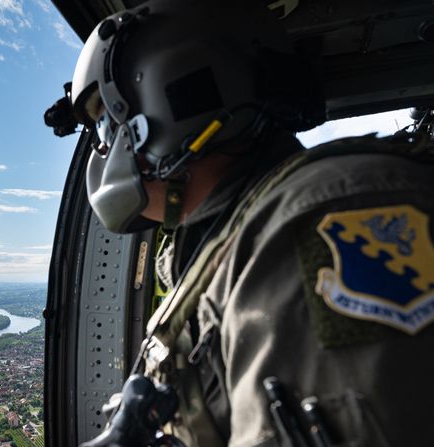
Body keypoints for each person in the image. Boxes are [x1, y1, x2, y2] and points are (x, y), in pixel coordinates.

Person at [48, 0, 434, 445]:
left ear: (164, 100)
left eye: (103, 123)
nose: (103, 148)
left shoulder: (315, 230)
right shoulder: (238, 237)